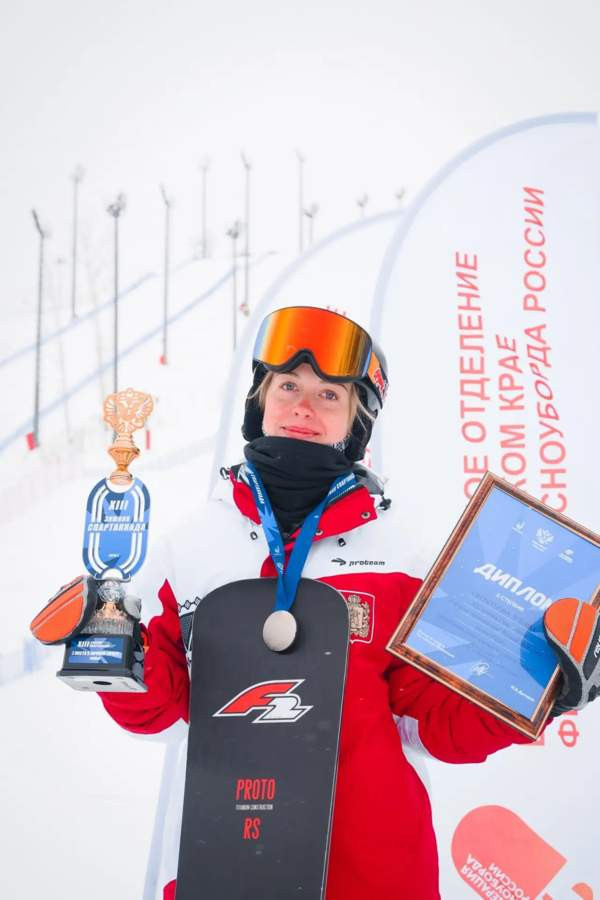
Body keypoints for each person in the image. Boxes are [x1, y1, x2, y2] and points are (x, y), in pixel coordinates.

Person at [32, 306, 600, 900]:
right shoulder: (194, 544)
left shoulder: (406, 552)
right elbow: (170, 716)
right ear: (260, 401)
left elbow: (429, 723)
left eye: (329, 395)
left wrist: (538, 690)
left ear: (357, 422)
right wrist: (117, 651)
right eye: (287, 386)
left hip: (375, 875)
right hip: (224, 863)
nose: (303, 406)